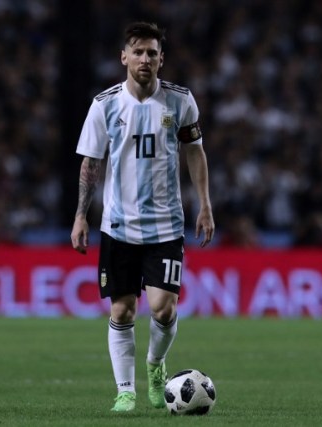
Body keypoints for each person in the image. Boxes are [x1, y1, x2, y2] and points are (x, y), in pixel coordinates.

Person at [70, 21, 214, 412]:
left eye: (152, 52)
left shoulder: (181, 102)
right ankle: (125, 390)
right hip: (118, 226)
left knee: (163, 308)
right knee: (122, 309)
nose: (145, 59)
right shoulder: (105, 105)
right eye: (138, 51)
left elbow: (194, 152)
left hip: (166, 225)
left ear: (161, 59)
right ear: (124, 57)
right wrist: (81, 217)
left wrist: (205, 203)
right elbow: (90, 163)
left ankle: (154, 366)